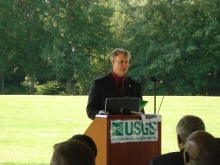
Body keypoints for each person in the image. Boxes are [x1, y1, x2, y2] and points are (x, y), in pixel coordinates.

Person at [86, 48, 144, 120]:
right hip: (106, 127)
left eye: (127, 62)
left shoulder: (135, 85)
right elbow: (91, 110)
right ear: (113, 62)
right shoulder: (99, 84)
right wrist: (104, 116)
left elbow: (141, 112)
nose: (125, 65)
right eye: (121, 62)